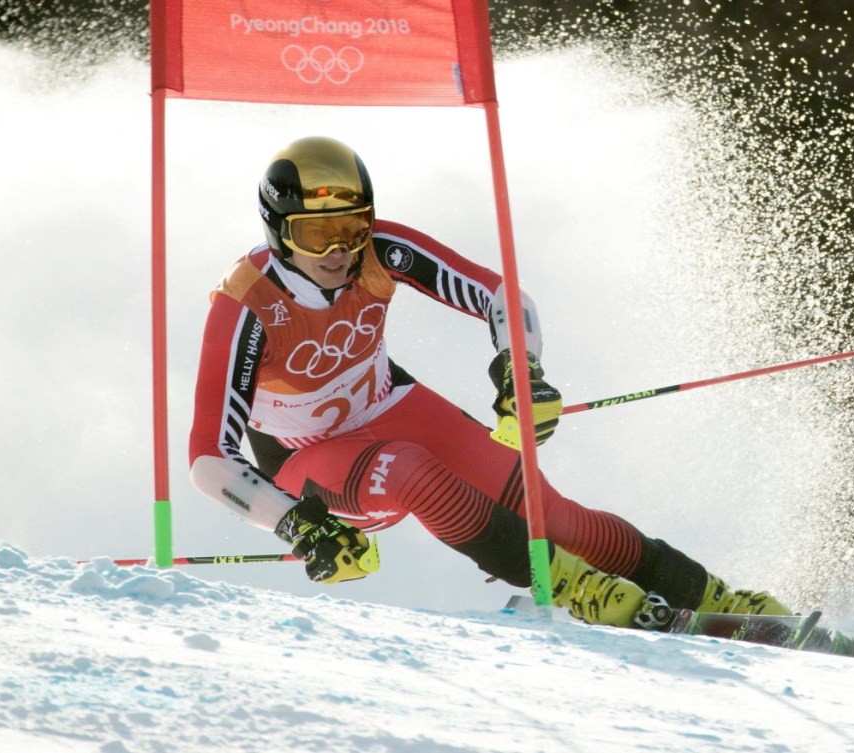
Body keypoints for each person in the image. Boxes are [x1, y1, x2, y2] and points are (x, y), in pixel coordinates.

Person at [188, 136, 792, 629]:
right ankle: (578, 589)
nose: (340, 250)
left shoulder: (381, 250)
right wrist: (295, 523)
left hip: (388, 403)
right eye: (316, 235)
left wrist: (519, 369)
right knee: (406, 469)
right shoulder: (246, 304)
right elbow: (208, 458)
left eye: (352, 227)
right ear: (278, 230)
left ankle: (716, 596)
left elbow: (501, 295)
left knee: (557, 517)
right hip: (306, 459)